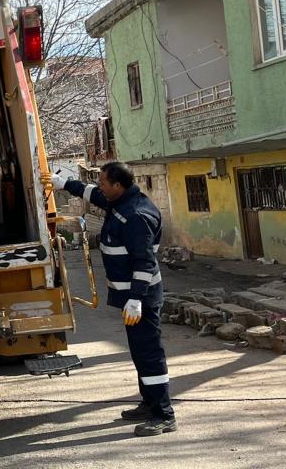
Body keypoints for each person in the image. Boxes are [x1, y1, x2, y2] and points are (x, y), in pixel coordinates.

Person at [53, 162, 176, 436]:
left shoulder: (135, 216)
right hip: (132, 298)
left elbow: (144, 263)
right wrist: (65, 185)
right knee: (140, 353)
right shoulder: (120, 201)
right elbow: (92, 194)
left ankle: (164, 414)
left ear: (118, 186)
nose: (100, 186)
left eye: (104, 182)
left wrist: (135, 299)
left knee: (149, 354)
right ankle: (149, 403)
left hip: (141, 298)